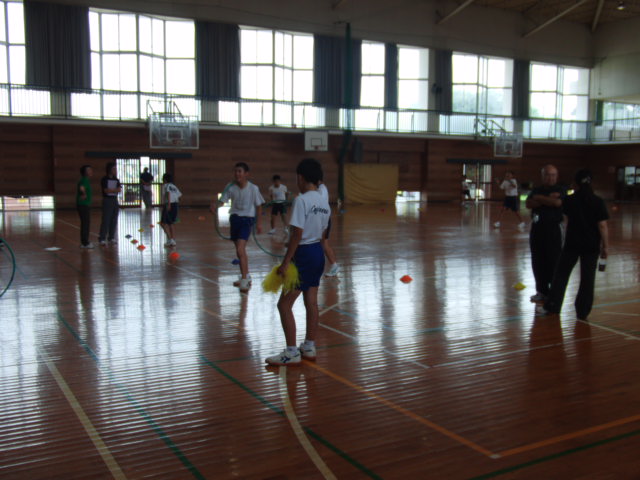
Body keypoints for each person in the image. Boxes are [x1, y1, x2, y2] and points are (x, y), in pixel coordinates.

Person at [265, 158, 331, 366]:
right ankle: (309, 346)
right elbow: (323, 234)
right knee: (311, 301)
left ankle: (292, 352)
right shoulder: (324, 202)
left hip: (303, 254)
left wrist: (285, 262)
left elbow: (297, 234)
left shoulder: (301, 200)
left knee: (284, 304)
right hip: (318, 252)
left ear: (300, 178)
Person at [536, 169, 609, 320]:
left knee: (561, 276)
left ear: (575, 183)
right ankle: (583, 312)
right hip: (591, 246)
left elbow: (565, 221)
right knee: (588, 279)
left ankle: (552, 306)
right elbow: (602, 226)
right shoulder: (598, 201)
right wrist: (605, 246)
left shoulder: (569, 200)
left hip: (572, 244)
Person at [210, 162, 264, 293]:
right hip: (234, 219)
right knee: (239, 251)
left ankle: (244, 279)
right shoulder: (230, 187)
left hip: (247, 220)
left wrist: (259, 223)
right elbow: (222, 201)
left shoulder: (253, 188)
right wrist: (215, 206)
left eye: (240, 171)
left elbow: (259, 206)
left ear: (246, 174)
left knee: (240, 249)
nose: (237, 174)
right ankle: (246, 275)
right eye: (235, 171)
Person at [525, 164, 566, 302]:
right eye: (548, 175)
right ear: (542, 176)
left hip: (554, 230)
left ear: (557, 176)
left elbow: (557, 203)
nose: (550, 178)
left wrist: (539, 198)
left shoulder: (561, 190)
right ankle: (541, 291)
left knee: (554, 261)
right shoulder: (536, 190)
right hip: (537, 229)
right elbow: (529, 204)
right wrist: (548, 199)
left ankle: (554, 293)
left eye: (553, 175)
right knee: (537, 260)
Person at [318, 176, 340, 276]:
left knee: (324, 244)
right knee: (323, 243)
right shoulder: (321, 188)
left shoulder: (321, 189)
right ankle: (334, 266)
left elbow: (319, 204)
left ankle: (334, 265)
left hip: (324, 220)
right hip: (322, 219)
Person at [98, 162, 122, 246]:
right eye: (114, 169)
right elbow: (106, 190)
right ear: (110, 169)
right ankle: (102, 238)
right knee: (106, 219)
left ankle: (111, 237)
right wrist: (114, 190)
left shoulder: (116, 180)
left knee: (114, 219)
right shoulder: (104, 179)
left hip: (114, 200)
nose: (115, 170)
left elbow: (119, 189)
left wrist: (112, 190)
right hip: (107, 200)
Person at [159, 173, 182, 248]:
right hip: (175, 204)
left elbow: (168, 193)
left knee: (167, 223)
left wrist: (168, 204)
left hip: (169, 204)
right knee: (169, 223)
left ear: (165, 179)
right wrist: (176, 205)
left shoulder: (166, 185)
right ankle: (171, 239)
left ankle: (171, 239)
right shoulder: (174, 186)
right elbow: (179, 196)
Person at [77, 165, 94, 249]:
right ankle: (85, 243)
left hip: (85, 204)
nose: (91, 171)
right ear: (85, 172)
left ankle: (84, 242)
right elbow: (81, 187)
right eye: (88, 170)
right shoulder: (84, 180)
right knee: (85, 223)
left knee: (86, 223)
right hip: (83, 204)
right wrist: (83, 194)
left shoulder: (86, 180)